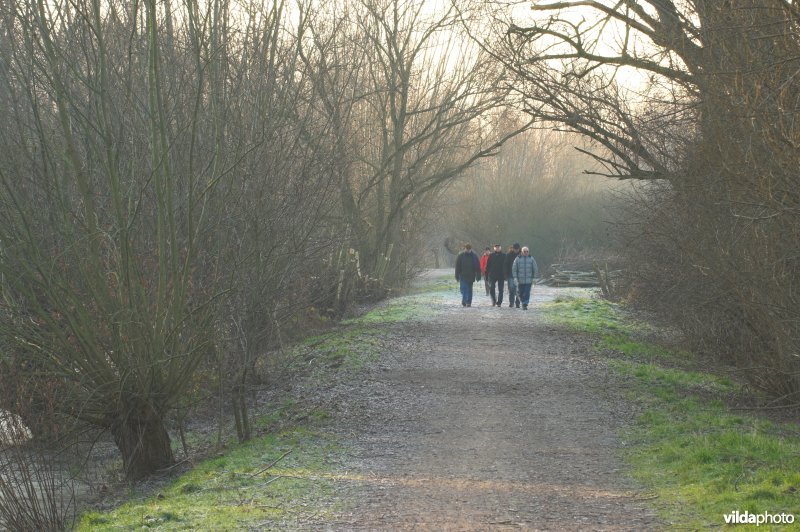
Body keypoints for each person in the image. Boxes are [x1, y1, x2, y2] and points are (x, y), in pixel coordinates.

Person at [512, 246, 539, 310]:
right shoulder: (517, 259)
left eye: (527, 251)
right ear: (522, 252)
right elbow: (514, 269)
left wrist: (535, 277)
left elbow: (535, 268)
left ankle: (525, 304)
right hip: (520, 280)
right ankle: (522, 300)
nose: (526, 253)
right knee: (520, 292)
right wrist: (515, 277)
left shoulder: (531, 259)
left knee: (527, 292)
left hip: (528, 280)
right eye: (525, 251)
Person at [504, 243, 521, 308]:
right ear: (513, 248)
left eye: (517, 249)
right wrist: (505, 274)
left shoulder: (522, 255)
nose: (516, 250)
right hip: (510, 275)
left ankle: (517, 302)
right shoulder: (508, 255)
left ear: (519, 249)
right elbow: (505, 264)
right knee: (511, 288)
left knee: (518, 289)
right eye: (515, 249)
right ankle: (511, 302)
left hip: (519, 275)